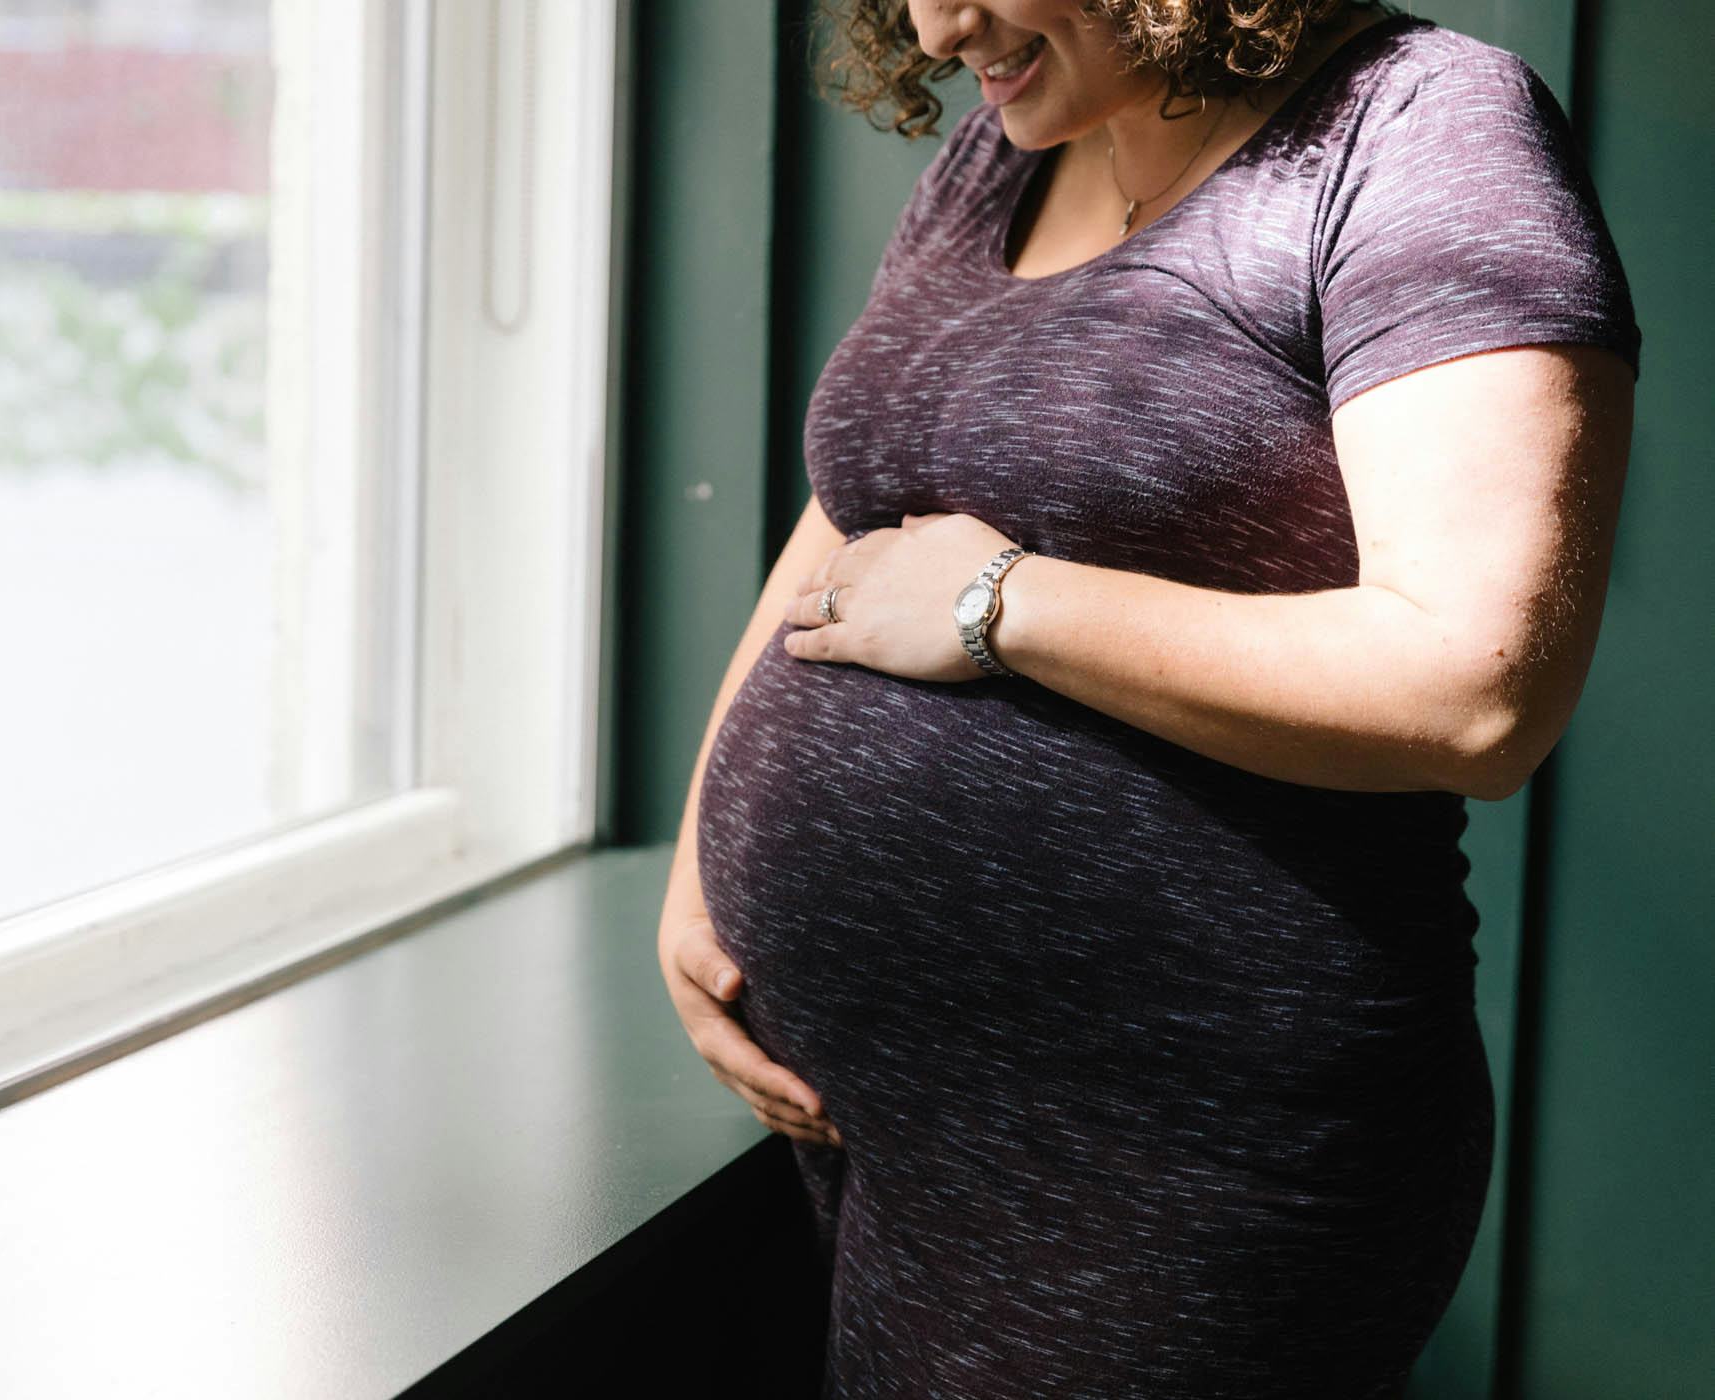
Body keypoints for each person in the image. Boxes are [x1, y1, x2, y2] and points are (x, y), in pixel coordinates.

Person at [653, 0, 1641, 1395]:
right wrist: (704, 861)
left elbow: (1480, 687)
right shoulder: (1013, 144)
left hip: (1172, 1144)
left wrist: (1005, 606)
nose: (936, 29)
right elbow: (862, 508)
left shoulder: (1418, 127)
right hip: (875, 1123)